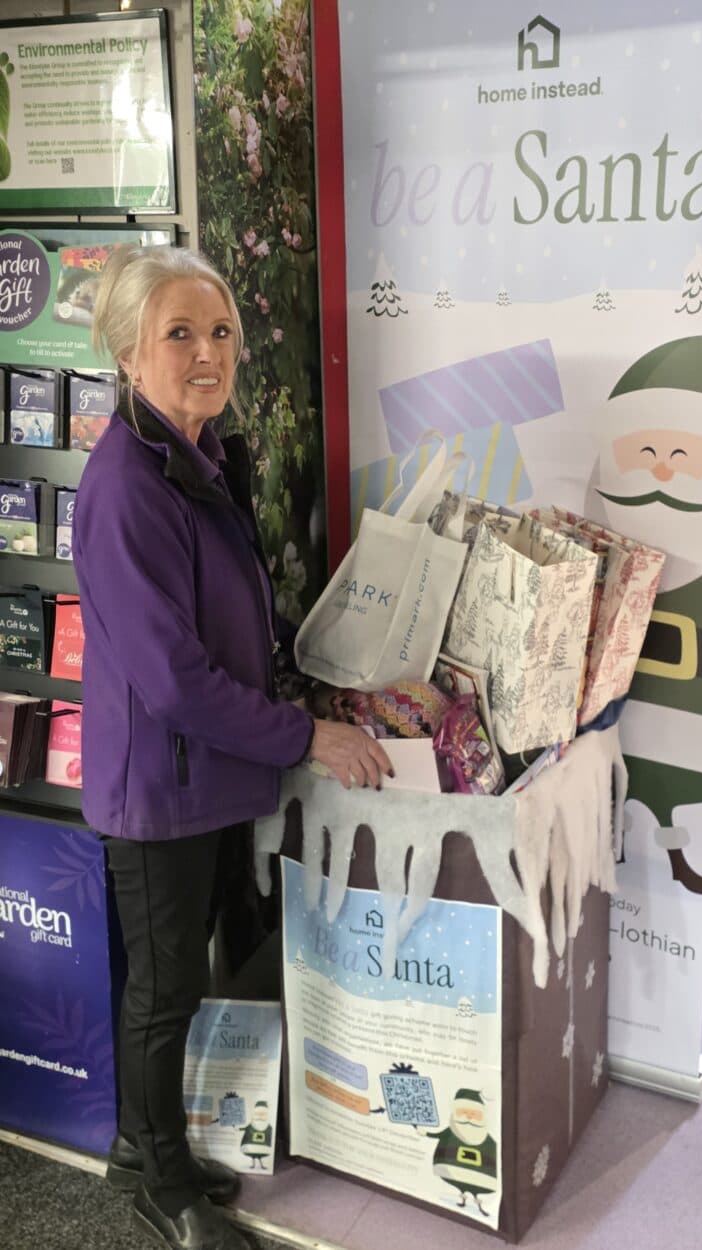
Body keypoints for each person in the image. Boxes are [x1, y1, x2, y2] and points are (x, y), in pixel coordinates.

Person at [74, 244, 391, 1250]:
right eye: (179, 334)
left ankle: (158, 1145)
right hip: (159, 787)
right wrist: (307, 734)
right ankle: (153, 1177)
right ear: (129, 351)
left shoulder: (198, 452)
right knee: (164, 991)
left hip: (211, 775)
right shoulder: (129, 484)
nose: (207, 352)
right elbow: (171, 678)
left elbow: (228, 624)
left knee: (192, 974)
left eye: (219, 332)